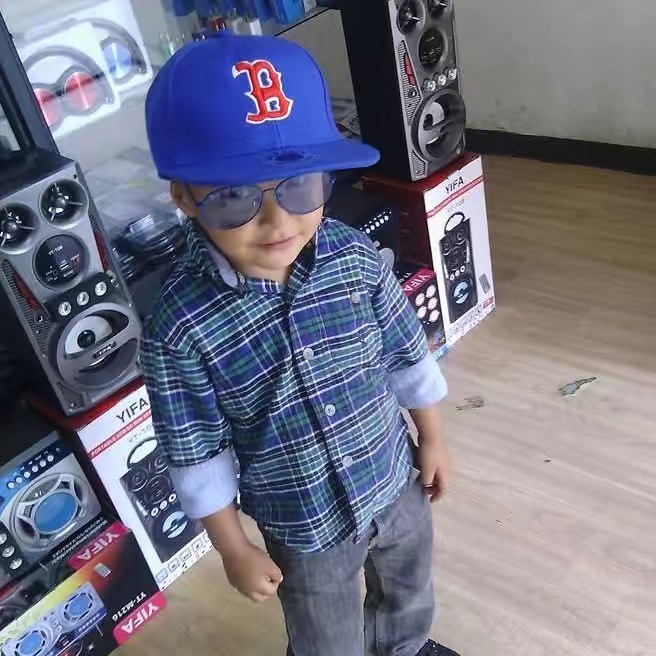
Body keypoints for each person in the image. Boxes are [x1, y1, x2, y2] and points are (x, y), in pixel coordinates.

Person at [141, 30, 460, 656]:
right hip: (303, 523)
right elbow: (195, 449)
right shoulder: (179, 328)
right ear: (183, 196)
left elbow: (406, 353)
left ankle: (404, 648)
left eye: (301, 184)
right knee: (325, 636)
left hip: (393, 477)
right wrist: (232, 547)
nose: (278, 220)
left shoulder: (355, 258)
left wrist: (433, 436)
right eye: (234, 195)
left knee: (410, 592)